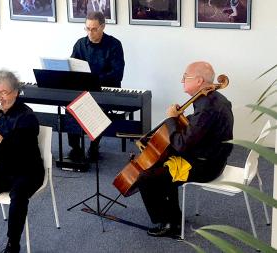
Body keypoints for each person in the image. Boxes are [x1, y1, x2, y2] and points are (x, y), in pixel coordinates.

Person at [137, 61, 234, 238]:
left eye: (185, 77)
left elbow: (182, 144)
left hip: (206, 166)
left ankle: (169, 224)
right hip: (213, 156)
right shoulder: (213, 99)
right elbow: (199, 127)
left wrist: (172, 120)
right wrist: (181, 119)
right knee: (163, 165)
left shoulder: (207, 107)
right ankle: (175, 217)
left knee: (146, 177)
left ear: (198, 81)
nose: (182, 80)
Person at [0, 70, 44, 253]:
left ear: (15, 92)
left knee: (18, 196)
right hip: (2, 168)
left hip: (28, 169)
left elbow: (22, 154)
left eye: (3, 92)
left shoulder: (27, 117)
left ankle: (13, 244)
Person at [68, 11, 125, 162]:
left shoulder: (114, 45)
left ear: (103, 27)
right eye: (87, 28)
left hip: (105, 89)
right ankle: (76, 148)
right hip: (85, 89)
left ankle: (94, 147)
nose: (90, 33)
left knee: (96, 109)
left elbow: (117, 74)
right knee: (70, 108)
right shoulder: (80, 44)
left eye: (94, 29)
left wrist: (94, 79)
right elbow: (72, 68)